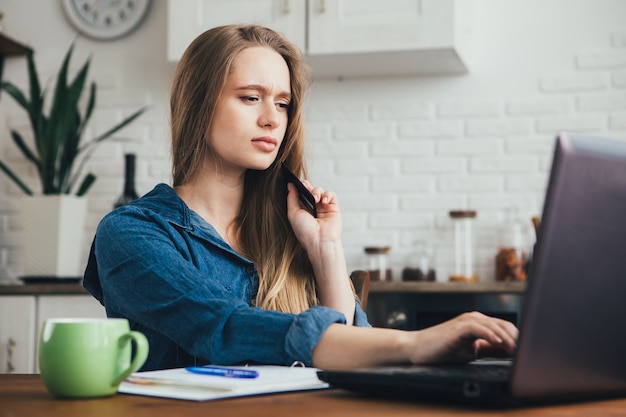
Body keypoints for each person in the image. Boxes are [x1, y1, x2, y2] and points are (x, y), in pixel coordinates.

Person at [83, 24, 517, 372]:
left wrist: (326, 251)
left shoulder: (289, 228)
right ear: (197, 104)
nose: (273, 119)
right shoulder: (131, 234)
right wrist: (415, 343)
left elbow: (356, 355)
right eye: (250, 98)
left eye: (283, 103)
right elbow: (220, 327)